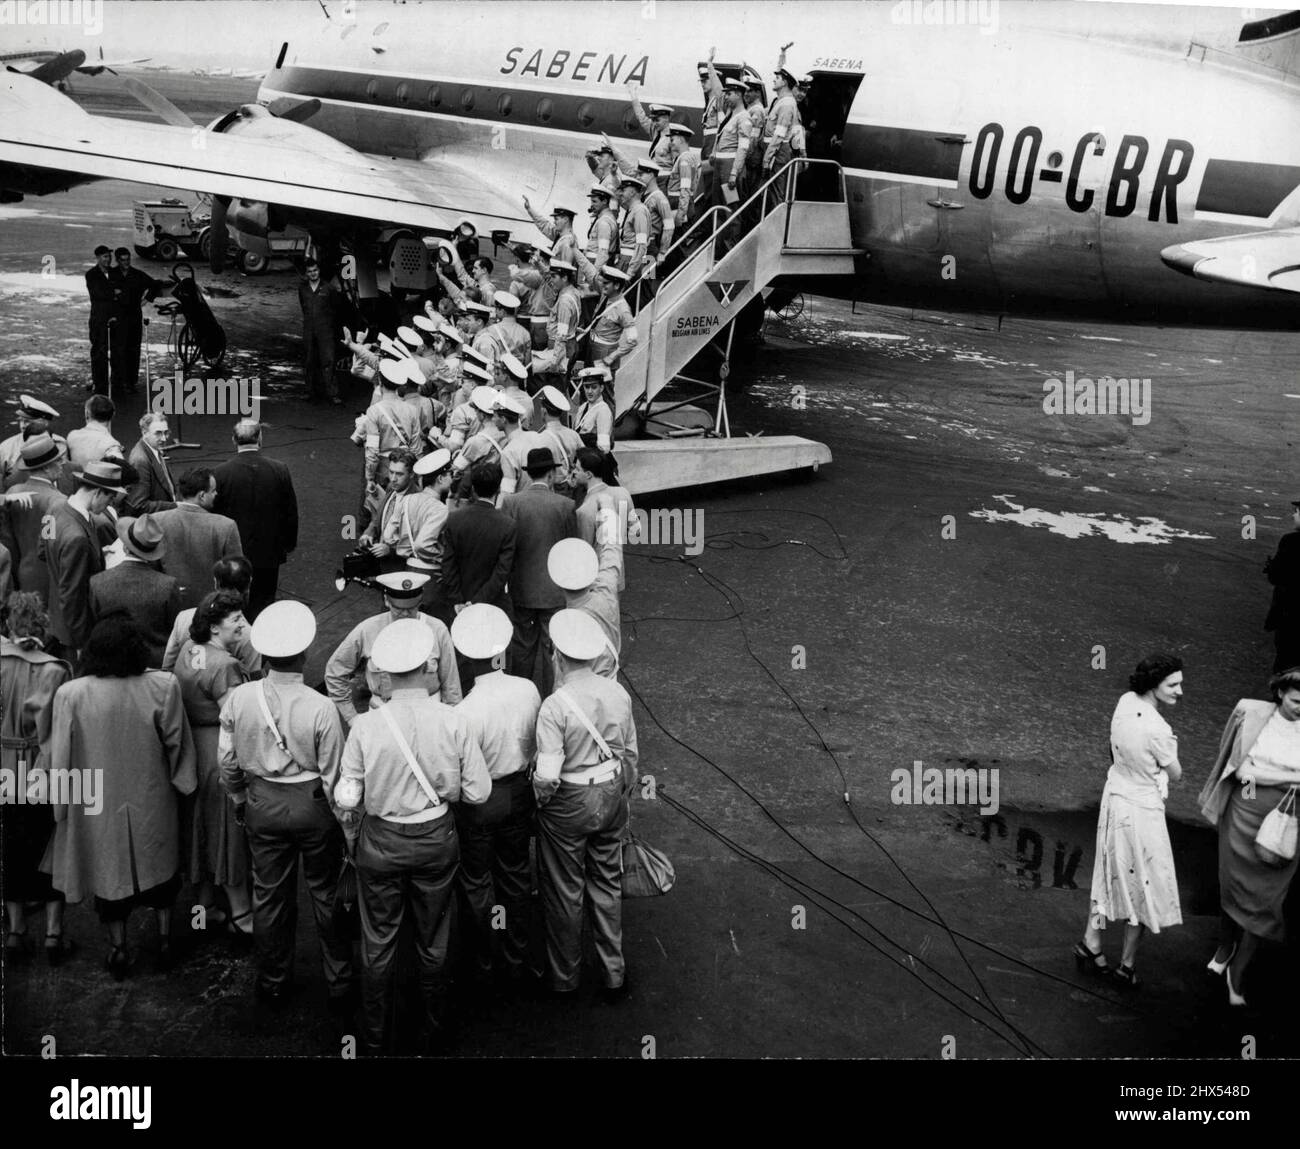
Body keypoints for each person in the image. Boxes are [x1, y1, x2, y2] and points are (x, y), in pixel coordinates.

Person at [334, 618, 491, 1054]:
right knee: (434, 935)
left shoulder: (365, 726)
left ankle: (373, 1033)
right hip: (436, 837)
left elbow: (348, 796)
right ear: (427, 668)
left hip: (381, 841)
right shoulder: (453, 720)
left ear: (383, 674)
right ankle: (433, 1029)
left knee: (378, 939)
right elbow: (478, 792)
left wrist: (352, 832)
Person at [219, 600, 356, 1011]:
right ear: (305, 652)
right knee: (326, 891)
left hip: (262, 800)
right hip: (313, 805)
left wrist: (241, 797)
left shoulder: (240, 698)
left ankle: (273, 980)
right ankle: (339, 980)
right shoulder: (321, 708)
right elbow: (335, 775)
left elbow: (226, 762)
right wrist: (347, 826)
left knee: (270, 895)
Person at [46, 615, 198, 979]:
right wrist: (184, 783)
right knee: (162, 871)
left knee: (109, 877)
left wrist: (61, 807)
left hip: (97, 802)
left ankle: (118, 947)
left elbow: (61, 755)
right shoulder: (163, 685)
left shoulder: (71, 693)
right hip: (152, 794)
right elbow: (178, 743)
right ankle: (164, 939)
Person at [533, 609, 638, 999]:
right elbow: (630, 754)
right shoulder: (618, 693)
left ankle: (565, 977)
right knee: (608, 881)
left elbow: (546, 776)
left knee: (565, 889)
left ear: (557, 656)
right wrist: (620, 795)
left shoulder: (554, 706)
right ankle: (613, 972)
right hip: (611, 792)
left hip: (568, 802)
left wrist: (541, 804)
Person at [1074, 654, 1185, 989]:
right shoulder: (1159, 730)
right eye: (1173, 684)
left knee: (1107, 871)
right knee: (1143, 884)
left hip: (1115, 796)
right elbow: (1177, 774)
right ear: (1155, 684)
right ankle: (1127, 965)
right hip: (1141, 809)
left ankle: (1090, 942)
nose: (1180, 691)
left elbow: (1114, 748)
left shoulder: (1125, 702)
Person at [1198, 667, 1300, 1007]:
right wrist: (1290, 777)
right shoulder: (1256, 715)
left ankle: (1238, 971)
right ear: (1281, 694)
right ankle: (1225, 948)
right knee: (1234, 887)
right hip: (1246, 811)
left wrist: (1270, 775)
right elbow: (1245, 774)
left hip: (1286, 824)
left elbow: (1258, 772)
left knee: (1267, 899)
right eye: (1297, 700)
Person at [451, 603, 540, 985]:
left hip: (481, 802)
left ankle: (484, 959)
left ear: (465, 657)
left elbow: (462, 771)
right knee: (517, 873)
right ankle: (518, 951)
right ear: (501, 651)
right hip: (519, 792)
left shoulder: (465, 711)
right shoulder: (528, 689)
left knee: (477, 880)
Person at [174, 590, 253, 937]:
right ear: (216, 627)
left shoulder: (190, 650)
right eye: (236, 619)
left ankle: (201, 912)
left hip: (192, 749)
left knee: (199, 830)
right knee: (227, 833)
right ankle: (241, 915)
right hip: (217, 754)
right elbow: (236, 721)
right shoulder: (226, 665)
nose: (243, 625)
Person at [1, 593, 74, 966]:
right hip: (43, 768)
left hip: (3, 768)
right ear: (43, 625)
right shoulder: (56, 670)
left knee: (10, 850)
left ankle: (15, 931)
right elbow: (61, 730)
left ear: (10, 626)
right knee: (51, 850)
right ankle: (53, 934)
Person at [325, 571, 462, 730]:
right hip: (383, 720)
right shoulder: (368, 629)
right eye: (398, 608)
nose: (405, 614)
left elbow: (452, 687)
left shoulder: (437, 629)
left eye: (411, 609)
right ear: (386, 601)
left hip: (429, 720)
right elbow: (334, 671)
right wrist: (352, 718)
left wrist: (453, 725)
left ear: (420, 602)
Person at [501, 448, 577, 694]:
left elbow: (507, 546)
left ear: (529, 473)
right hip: (554, 590)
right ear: (552, 473)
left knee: (522, 646)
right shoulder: (566, 505)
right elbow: (570, 548)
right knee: (551, 649)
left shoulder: (512, 502)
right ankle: (551, 698)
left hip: (521, 586)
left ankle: (521, 696)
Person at [40, 459, 126, 661]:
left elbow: (43, 551)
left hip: (55, 616)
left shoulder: (53, 510)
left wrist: (92, 557)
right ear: (97, 493)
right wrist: (80, 643)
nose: (109, 505)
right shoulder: (78, 538)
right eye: (110, 498)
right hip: (75, 632)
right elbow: (73, 595)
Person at [212, 420, 299, 619]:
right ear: (260, 438)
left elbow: (215, 514)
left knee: (233, 600)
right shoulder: (280, 469)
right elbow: (290, 511)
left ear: (234, 440)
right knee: (265, 599)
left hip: (234, 551)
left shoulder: (220, 473)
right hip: (270, 549)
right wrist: (288, 543)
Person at [87, 514, 181, 669]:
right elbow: (173, 630)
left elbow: (93, 623)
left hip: (110, 664)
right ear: (152, 553)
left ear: (124, 547)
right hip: (154, 665)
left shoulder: (97, 582)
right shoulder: (168, 585)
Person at [153, 467, 243, 610]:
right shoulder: (226, 526)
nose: (216, 494)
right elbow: (236, 575)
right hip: (212, 608)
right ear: (202, 495)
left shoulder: (156, 521)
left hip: (169, 605)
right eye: (213, 491)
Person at [440, 461, 516, 622]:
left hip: (458, 603)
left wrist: (458, 600)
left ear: (473, 489)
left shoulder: (455, 519)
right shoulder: (507, 525)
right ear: (498, 489)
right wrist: (476, 602)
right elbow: (502, 572)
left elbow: (448, 564)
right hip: (492, 603)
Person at [162, 555, 262, 676]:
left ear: (216, 582)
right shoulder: (249, 636)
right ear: (249, 584)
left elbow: (167, 667)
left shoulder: (183, 618)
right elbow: (251, 684)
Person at [0, 434, 67, 600]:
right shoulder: (57, 501)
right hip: (47, 578)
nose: (62, 463)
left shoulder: (12, 493)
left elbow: (6, 540)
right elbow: (50, 545)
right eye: (58, 460)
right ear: (45, 468)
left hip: (15, 574)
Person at [357, 451, 446, 575]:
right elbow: (379, 517)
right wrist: (369, 533)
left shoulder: (417, 498)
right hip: (383, 565)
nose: (393, 478)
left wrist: (390, 550)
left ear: (411, 474)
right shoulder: (391, 487)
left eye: (399, 474)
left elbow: (416, 542)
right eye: (391, 472)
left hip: (402, 568)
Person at [548, 530, 621, 680]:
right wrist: (608, 513)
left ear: (558, 582)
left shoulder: (565, 627)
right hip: (611, 686)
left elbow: (561, 681)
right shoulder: (606, 593)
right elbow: (611, 558)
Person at [111, 247, 166, 395]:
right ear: (117, 260)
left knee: (133, 349)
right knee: (118, 349)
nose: (126, 263)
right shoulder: (112, 275)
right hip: (118, 317)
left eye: (128, 259)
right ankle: (117, 381)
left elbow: (156, 284)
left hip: (134, 316)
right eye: (122, 260)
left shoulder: (137, 275)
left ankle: (130, 382)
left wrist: (147, 299)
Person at [298, 258, 344, 404]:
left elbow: (335, 310)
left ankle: (332, 393)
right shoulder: (302, 288)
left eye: (315, 270)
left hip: (326, 330)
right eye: (310, 271)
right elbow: (303, 307)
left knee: (328, 360)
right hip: (309, 329)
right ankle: (309, 391)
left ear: (319, 271)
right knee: (308, 360)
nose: (313, 274)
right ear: (306, 273)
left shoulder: (329, 288)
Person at [1, 395, 65, 493]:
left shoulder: (61, 444)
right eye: (20, 421)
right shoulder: (5, 448)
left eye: (27, 421)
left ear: (44, 422)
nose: (22, 426)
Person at [529, 260, 582, 379]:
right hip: (570, 342)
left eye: (554, 276)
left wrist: (555, 360)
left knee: (557, 385)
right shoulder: (573, 291)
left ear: (564, 278)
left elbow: (561, 334)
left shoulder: (564, 301)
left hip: (561, 347)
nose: (551, 280)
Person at [1264, 498, 1300, 674]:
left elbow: (1277, 575)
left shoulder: (1291, 541)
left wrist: (1271, 568)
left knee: (1286, 665)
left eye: (1297, 512)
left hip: (1291, 617)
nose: (1294, 515)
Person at [85, 244, 123, 397]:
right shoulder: (91, 274)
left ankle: (116, 384)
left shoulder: (115, 272)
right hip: (98, 318)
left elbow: (122, 290)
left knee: (117, 350)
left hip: (115, 317)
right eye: (105, 257)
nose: (108, 260)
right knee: (99, 351)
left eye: (109, 257)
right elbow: (97, 293)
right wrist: (113, 292)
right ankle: (99, 383)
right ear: (98, 258)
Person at [762, 65, 802, 198]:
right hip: (775, 151)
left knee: (776, 192)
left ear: (784, 82)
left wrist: (767, 158)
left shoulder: (786, 104)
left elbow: (779, 134)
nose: (774, 80)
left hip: (777, 152)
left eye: (777, 78)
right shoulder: (782, 101)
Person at [535, 385, 583, 497]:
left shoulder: (541, 438)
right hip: (573, 488)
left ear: (544, 411)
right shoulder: (574, 434)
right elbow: (584, 459)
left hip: (552, 490)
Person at [126, 412, 177, 515]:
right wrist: (174, 506)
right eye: (158, 433)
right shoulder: (140, 460)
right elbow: (139, 505)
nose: (164, 438)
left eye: (166, 432)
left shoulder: (154, 449)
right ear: (145, 433)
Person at [588, 266, 638, 373]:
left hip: (605, 351)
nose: (602, 285)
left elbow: (632, 340)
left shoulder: (623, 310)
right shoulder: (605, 297)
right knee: (589, 381)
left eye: (606, 283)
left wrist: (613, 356)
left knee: (604, 387)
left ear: (616, 285)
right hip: (593, 345)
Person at [66, 394, 123, 470]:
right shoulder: (112, 445)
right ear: (113, 415)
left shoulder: (72, 436)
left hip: (75, 480)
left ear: (87, 413)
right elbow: (122, 473)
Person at [626, 86, 676, 167]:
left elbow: (677, 164)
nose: (654, 123)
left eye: (657, 120)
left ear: (666, 119)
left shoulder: (674, 138)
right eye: (653, 120)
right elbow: (641, 117)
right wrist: (633, 95)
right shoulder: (656, 130)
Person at [521, 199, 580, 268]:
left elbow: (565, 270)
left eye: (556, 219)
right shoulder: (561, 236)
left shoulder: (567, 242)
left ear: (566, 219)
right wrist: (529, 209)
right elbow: (545, 225)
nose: (554, 222)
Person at [616, 176, 652, 284]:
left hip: (632, 261)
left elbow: (641, 244)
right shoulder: (633, 210)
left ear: (632, 192)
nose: (620, 193)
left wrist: (630, 272)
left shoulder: (639, 211)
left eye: (623, 190)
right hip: (632, 259)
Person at [666, 124, 701, 231]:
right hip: (681, 203)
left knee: (677, 240)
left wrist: (681, 213)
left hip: (678, 204)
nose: (670, 143)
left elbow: (685, 188)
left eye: (672, 140)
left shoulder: (684, 160)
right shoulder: (688, 157)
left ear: (681, 139)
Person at [573, 368, 615, 453]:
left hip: (595, 459)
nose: (589, 391)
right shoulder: (583, 407)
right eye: (587, 387)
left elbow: (604, 448)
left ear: (601, 388)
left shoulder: (603, 410)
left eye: (594, 387)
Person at [583, 185, 619, 283]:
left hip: (595, 265)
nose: (592, 205)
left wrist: (593, 276)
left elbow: (603, 252)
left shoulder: (604, 222)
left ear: (604, 202)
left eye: (595, 201)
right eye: (591, 201)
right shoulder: (605, 218)